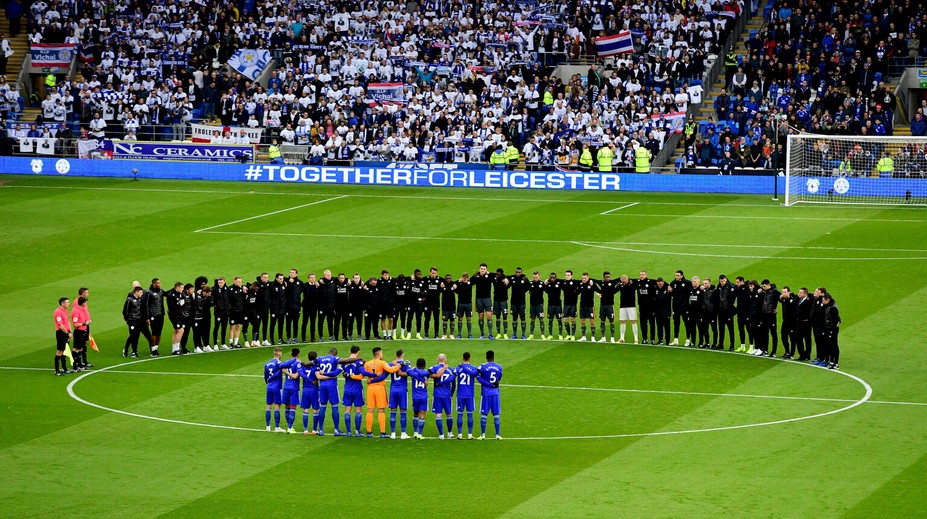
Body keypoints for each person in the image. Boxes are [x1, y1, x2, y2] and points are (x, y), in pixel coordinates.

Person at [296, 350, 340, 435]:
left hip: (305, 390)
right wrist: (331, 376)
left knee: (306, 410)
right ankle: (315, 430)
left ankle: (307, 430)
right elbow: (319, 376)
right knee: (317, 410)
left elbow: (302, 374)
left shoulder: (303, 366)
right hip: (315, 390)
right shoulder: (316, 367)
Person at [362, 346, 401, 438]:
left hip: (370, 388)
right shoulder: (382, 363)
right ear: (379, 354)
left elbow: (363, 374)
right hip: (379, 388)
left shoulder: (367, 364)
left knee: (370, 410)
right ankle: (382, 433)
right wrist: (398, 366)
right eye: (381, 353)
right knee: (381, 410)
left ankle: (369, 432)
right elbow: (391, 370)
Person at [405, 358, 447, 439]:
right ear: (424, 365)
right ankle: (420, 434)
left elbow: (409, 371)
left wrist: (412, 368)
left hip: (415, 397)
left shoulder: (413, 372)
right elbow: (436, 375)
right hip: (424, 397)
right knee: (422, 415)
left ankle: (415, 432)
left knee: (415, 414)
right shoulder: (427, 374)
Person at [477, 350, 503, 440]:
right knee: (496, 414)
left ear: (486, 357)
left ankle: (483, 435)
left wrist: (488, 384)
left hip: (486, 394)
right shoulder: (499, 367)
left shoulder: (482, 366)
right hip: (495, 393)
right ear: (494, 357)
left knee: (484, 414)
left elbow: (477, 376)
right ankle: (498, 435)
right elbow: (499, 378)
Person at [386, 349, 412, 439]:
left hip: (393, 390)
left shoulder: (391, 364)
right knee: (403, 412)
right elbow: (409, 373)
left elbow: (385, 370)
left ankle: (393, 433)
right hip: (402, 390)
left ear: (395, 355)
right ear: (402, 355)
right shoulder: (406, 364)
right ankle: (403, 433)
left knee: (393, 411)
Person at [430, 353, 456, 439]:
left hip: (437, 394)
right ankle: (449, 433)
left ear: (438, 359)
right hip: (447, 395)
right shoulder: (451, 370)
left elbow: (429, 374)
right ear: (446, 360)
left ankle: (441, 434)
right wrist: (451, 394)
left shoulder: (434, 368)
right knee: (449, 414)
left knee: (438, 414)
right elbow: (454, 384)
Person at [455, 351, 480, 439]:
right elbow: (477, 376)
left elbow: (453, 376)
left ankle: (459, 434)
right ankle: (470, 434)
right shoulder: (474, 368)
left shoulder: (458, 368)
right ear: (470, 358)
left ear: (462, 358)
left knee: (460, 414)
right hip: (470, 394)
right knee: (470, 414)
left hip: (460, 394)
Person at [279, 348, 305, 433]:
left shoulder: (287, 362)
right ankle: (290, 427)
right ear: (298, 354)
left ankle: (289, 427)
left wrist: (285, 372)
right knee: (292, 407)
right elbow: (295, 376)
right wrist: (287, 373)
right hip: (294, 388)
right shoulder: (298, 363)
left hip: (286, 387)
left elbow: (282, 368)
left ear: (291, 354)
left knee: (287, 407)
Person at [123, 286, 150, 358]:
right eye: (140, 292)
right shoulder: (130, 300)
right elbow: (125, 311)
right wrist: (127, 320)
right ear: (136, 292)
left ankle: (134, 351)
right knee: (133, 335)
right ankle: (126, 349)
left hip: (138, 321)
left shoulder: (139, 300)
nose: (142, 293)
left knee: (136, 336)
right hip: (132, 321)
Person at [263, 347, 285, 432]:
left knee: (268, 406)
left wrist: (268, 383)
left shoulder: (267, 363)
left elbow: (265, 376)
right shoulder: (280, 363)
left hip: (269, 387)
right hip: (277, 387)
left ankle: (268, 427)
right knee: (277, 406)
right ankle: (277, 427)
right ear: (279, 354)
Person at [472, 263, 495, 339]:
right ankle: (482, 334)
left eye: (484, 269)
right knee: (481, 316)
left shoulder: (490, 276)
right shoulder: (476, 276)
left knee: (489, 315)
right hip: (479, 299)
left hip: (487, 299)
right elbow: (469, 282)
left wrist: (490, 273)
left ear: (486, 269)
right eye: (481, 269)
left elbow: (499, 275)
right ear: (479, 269)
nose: (482, 270)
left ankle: (490, 334)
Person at [143, 278, 166, 356]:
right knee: (154, 332)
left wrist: (176, 288)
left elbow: (167, 294)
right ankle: (152, 350)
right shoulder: (149, 293)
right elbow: (146, 305)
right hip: (153, 315)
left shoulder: (161, 291)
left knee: (159, 332)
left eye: (159, 283)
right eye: (158, 283)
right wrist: (147, 317)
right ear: (154, 284)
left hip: (161, 315)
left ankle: (156, 349)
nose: (159, 284)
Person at [758, 279, 780, 357]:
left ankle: (774, 352)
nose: (763, 288)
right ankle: (765, 350)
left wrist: (775, 308)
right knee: (765, 333)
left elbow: (781, 298)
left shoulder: (775, 291)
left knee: (773, 333)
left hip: (771, 315)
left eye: (764, 286)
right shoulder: (764, 292)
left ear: (768, 284)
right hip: (764, 315)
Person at [668, 270, 691, 346]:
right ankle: (676, 339)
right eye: (676, 275)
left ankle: (688, 339)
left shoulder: (687, 283)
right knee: (676, 323)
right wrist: (670, 291)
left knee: (686, 323)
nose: (676, 277)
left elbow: (693, 289)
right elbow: (670, 293)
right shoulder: (673, 283)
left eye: (678, 275)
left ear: (682, 276)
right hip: (676, 307)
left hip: (685, 307)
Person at [596, 272, 620, 343]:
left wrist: (620, 283)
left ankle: (612, 338)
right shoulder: (601, 283)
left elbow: (621, 278)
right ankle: (603, 337)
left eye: (609, 277)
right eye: (606, 277)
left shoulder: (612, 282)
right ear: (603, 277)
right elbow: (594, 281)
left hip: (610, 306)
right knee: (602, 321)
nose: (608, 278)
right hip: (602, 306)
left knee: (611, 321)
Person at [507, 267, 530, 340]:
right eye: (516, 272)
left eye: (519, 272)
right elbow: (504, 277)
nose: (518, 273)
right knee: (514, 317)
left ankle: (523, 334)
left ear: (521, 272)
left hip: (522, 302)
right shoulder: (512, 278)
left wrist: (523, 291)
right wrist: (505, 279)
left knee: (522, 317)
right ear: (515, 272)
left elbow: (529, 286)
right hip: (513, 302)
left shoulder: (524, 278)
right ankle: (514, 334)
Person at [165, 281, 187, 355]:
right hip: (174, 315)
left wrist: (182, 302)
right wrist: (179, 304)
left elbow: (183, 298)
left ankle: (174, 349)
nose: (182, 289)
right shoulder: (171, 295)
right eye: (181, 288)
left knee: (176, 331)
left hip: (179, 314)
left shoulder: (181, 293)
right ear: (177, 287)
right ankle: (176, 349)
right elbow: (172, 307)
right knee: (181, 330)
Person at [716, 275, 736, 351]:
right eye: (721, 281)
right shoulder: (718, 286)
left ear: (726, 279)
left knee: (730, 329)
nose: (723, 282)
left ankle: (732, 345)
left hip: (728, 311)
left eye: (724, 281)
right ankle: (720, 344)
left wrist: (732, 309)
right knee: (721, 329)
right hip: (721, 311)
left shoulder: (731, 287)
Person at [617, 274, 639, 344]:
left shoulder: (633, 283)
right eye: (622, 282)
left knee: (633, 321)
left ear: (627, 279)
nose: (624, 283)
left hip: (631, 306)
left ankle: (636, 339)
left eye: (624, 282)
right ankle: (622, 338)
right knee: (622, 321)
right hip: (622, 306)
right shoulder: (620, 284)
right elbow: (613, 291)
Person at [577, 273, 599, 342]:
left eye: (585, 278)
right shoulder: (581, 284)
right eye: (582, 278)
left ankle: (593, 337)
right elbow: (577, 293)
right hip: (582, 305)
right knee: (582, 321)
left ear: (588, 278)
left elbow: (598, 290)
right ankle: (583, 337)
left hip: (590, 306)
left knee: (592, 321)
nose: (583, 279)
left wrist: (593, 285)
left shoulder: (591, 284)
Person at [71, 296, 90, 371]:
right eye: (86, 302)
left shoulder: (81, 309)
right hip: (78, 332)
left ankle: (79, 365)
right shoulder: (76, 311)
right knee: (76, 349)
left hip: (83, 331)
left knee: (80, 348)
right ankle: (75, 366)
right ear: (83, 303)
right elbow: (75, 324)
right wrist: (85, 323)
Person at [423, 267, 444, 339]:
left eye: (435, 273)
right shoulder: (425, 279)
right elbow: (417, 281)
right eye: (432, 273)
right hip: (427, 303)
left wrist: (459, 280)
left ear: (437, 273)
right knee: (427, 319)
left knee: (436, 319)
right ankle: (426, 333)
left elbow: (449, 282)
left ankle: (436, 334)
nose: (433, 275)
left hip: (436, 303)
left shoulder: (440, 280)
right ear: (430, 273)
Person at [822, 293, 841, 369]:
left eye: (823, 300)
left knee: (834, 345)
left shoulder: (833, 308)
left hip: (832, 330)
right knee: (830, 345)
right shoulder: (828, 306)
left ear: (828, 300)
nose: (822, 301)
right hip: (828, 329)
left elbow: (837, 320)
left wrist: (832, 330)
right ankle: (831, 361)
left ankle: (835, 363)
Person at [54, 297, 72, 376]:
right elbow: (60, 325)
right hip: (61, 333)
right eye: (67, 302)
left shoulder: (65, 311)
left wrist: (70, 331)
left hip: (66, 332)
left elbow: (67, 322)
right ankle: (57, 371)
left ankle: (64, 369)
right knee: (60, 351)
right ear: (62, 303)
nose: (69, 304)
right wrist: (67, 333)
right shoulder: (58, 312)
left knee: (64, 350)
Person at [192, 285, 213, 353]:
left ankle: (206, 345)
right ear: (205, 292)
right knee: (197, 332)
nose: (209, 295)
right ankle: (196, 347)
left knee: (206, 331)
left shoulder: (206, 297)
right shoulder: (197, 296)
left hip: (204, 316)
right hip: (197, 317)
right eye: (209, 294)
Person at [636, 271, 656, 344]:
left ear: (646, 275)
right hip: (642, 307)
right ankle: (644, 338)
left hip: (650, 307)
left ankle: (652, 339)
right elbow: (628, 280)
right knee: (643, 324)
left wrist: (669, 286)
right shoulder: (638, 282)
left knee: (652, 323)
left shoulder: (651, 282)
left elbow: (660, 282)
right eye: (640, 274)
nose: (641, 276)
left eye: (643, 274)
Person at [795, 287, 813, 362]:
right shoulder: (799, 300)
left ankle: (807, 355)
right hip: (799, 322)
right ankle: (802, 354)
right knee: (798, 338)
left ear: (805, 294)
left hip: (806, 323)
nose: (799, 294)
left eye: (800, 293)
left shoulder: (809, 301)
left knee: (807, 339)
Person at [560, 270, 580, 341]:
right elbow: (555, 280)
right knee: (565, 320)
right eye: (566, 275)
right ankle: (568, 334)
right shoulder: (563, 283)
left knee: (573, 319)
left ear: (571, 276)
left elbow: (583, 282)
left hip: (573, 304)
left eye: (568, 275)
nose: (567, 276)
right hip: (566, 305)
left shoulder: (575, 282)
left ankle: (573, 335)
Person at [779, 286, 798, 359]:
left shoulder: (793, 300)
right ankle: (787, 352)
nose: (783, 293)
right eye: (782, 292)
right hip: (785, 322)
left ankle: (792, 354)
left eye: (785, 292)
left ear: (788, 292)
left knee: (792, 338)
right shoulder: (783, 299)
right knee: (783, 337)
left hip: (792, 323)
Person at [699, 278, 719, 349]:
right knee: (705, 328)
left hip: (712, 313)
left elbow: (716, 304)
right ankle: (707, 343)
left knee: (714, 329)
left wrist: (714, 314)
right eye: (703, 283)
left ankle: (714, 344)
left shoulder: (714, 291)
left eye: (706, 283)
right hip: (705, 312)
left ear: (709, 283)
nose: (704, 285)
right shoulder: (703, 290)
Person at [810, 287, 828, 365]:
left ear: (822, 294)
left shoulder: (825, 302)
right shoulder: (816, 300)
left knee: (823, 343)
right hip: (815, 325)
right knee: (818, 342)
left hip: (822, 326)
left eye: (817, 292)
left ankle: (824, 359)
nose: (815, 293)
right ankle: (819, 357)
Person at [543, 272, 563, 340]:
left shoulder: (559, 282)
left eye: (553, 278)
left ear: (556, 277)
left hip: (558, 305)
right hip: (550, 305)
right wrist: (544, 284)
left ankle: (560, 335)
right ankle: (550, 335)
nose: (552, 279)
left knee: (559, 320)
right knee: (550, 320)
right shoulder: (547, 283)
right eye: (551, 278)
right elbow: (544, 289)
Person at [227, 276, 246, 349]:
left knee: (238, 326)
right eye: (238, 281)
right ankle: (231, 343)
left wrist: (244, 287)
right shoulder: (230, 289)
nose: (240, 283)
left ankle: (236, 342)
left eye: (240, 281)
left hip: (240, 311)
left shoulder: (242, 288)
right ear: (234, 281)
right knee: (232, 327)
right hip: (233, 311)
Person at [284, 268, 303, 343]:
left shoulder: (300, 283)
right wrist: (288, 280)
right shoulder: (286, 281)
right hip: (288, 307)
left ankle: (295, 337)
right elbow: (280, 279)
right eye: (290, 272)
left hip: (297, 307)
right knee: (288, 323)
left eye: (293, 273)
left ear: (296, 274)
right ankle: (288, 337)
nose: (291, 274)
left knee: (296, 323)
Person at [300, 273, 320, 343]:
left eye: (314, 277)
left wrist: (317, 287)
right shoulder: (305, 285)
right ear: (308, 278)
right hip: (306, 307)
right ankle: (303, 338)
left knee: (313, 323)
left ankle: (313, 338)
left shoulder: (317, 285)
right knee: (304, 323)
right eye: (311, 277)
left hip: (314, 308)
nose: (312, 279)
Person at [491, 268, 510, 339]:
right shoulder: (494, 278)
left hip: (503, 300)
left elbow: (514, 276)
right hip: (496, 300)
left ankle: (505, 333)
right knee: (497, 316)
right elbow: (490, 274)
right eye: (496, 273)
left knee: (505, 316)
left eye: (498, 274)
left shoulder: (505, 279)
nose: (497, 275)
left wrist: (505, 278)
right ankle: (498, 333)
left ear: (502, 274)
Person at [527, 271, 546, 339]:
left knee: (541, 319)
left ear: (539, 276)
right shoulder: (530, 284)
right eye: (534, 277)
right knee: (532, 319)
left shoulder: (542, 284)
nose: (535, 278)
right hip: (532, 305)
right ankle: (531, 334)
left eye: (536, 277)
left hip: (539, 305)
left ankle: (542, 335)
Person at [269, 273, 287, 345]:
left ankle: (280, 339)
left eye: (282, 278)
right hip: (274, 309)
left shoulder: (283, 284)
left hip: (282, 308)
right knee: (272, 325)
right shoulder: (272, 285)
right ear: (276, 278)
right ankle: (272, 340)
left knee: (281, 324)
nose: (281, 280)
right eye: (280, 279)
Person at [734, 276, 751, 352]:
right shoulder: (738, 288)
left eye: (737, 282)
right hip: (740, 313)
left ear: (742, 281)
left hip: (746, 313)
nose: (736, 284)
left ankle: (751, 346)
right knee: (741, 330)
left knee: (749, 330)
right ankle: (742, 346)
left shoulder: (747, 288)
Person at [653, 278, 671, 344]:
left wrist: (669, 312)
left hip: (666, 311)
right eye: (658, 284)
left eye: (660, 284)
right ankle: (660, 340)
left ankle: (667, 341)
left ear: (663, 282)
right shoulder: (656, 289)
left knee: (667, 327)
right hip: (658, 311)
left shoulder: (667, 289)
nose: (659, 285)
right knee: (659, 327)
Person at [455, 272, 473, 338]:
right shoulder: (459, 283)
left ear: (468, 278)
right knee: (460, 318)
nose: (465, 279)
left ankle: (469, 333)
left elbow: (475, 279)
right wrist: (458, 281)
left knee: (469, 318)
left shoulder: (470, 283)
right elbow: (452, 283)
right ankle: (459, 333)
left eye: (466, 277)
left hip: (468, 304)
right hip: (461, 303)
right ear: (462, 277)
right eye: (464, 277)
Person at [439, 274, 457, 339]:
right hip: (445, 307)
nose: (448, 279)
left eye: (449, 278)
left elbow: (458, 287)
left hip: (452, 307)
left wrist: (456, 286)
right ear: (445, 279)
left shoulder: (453, 284)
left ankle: (452, 334)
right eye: (447, 278)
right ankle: (444, 334)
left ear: (451, 279)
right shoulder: (442, 285)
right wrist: (441, 284)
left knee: (452, 320)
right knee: (445, 320)